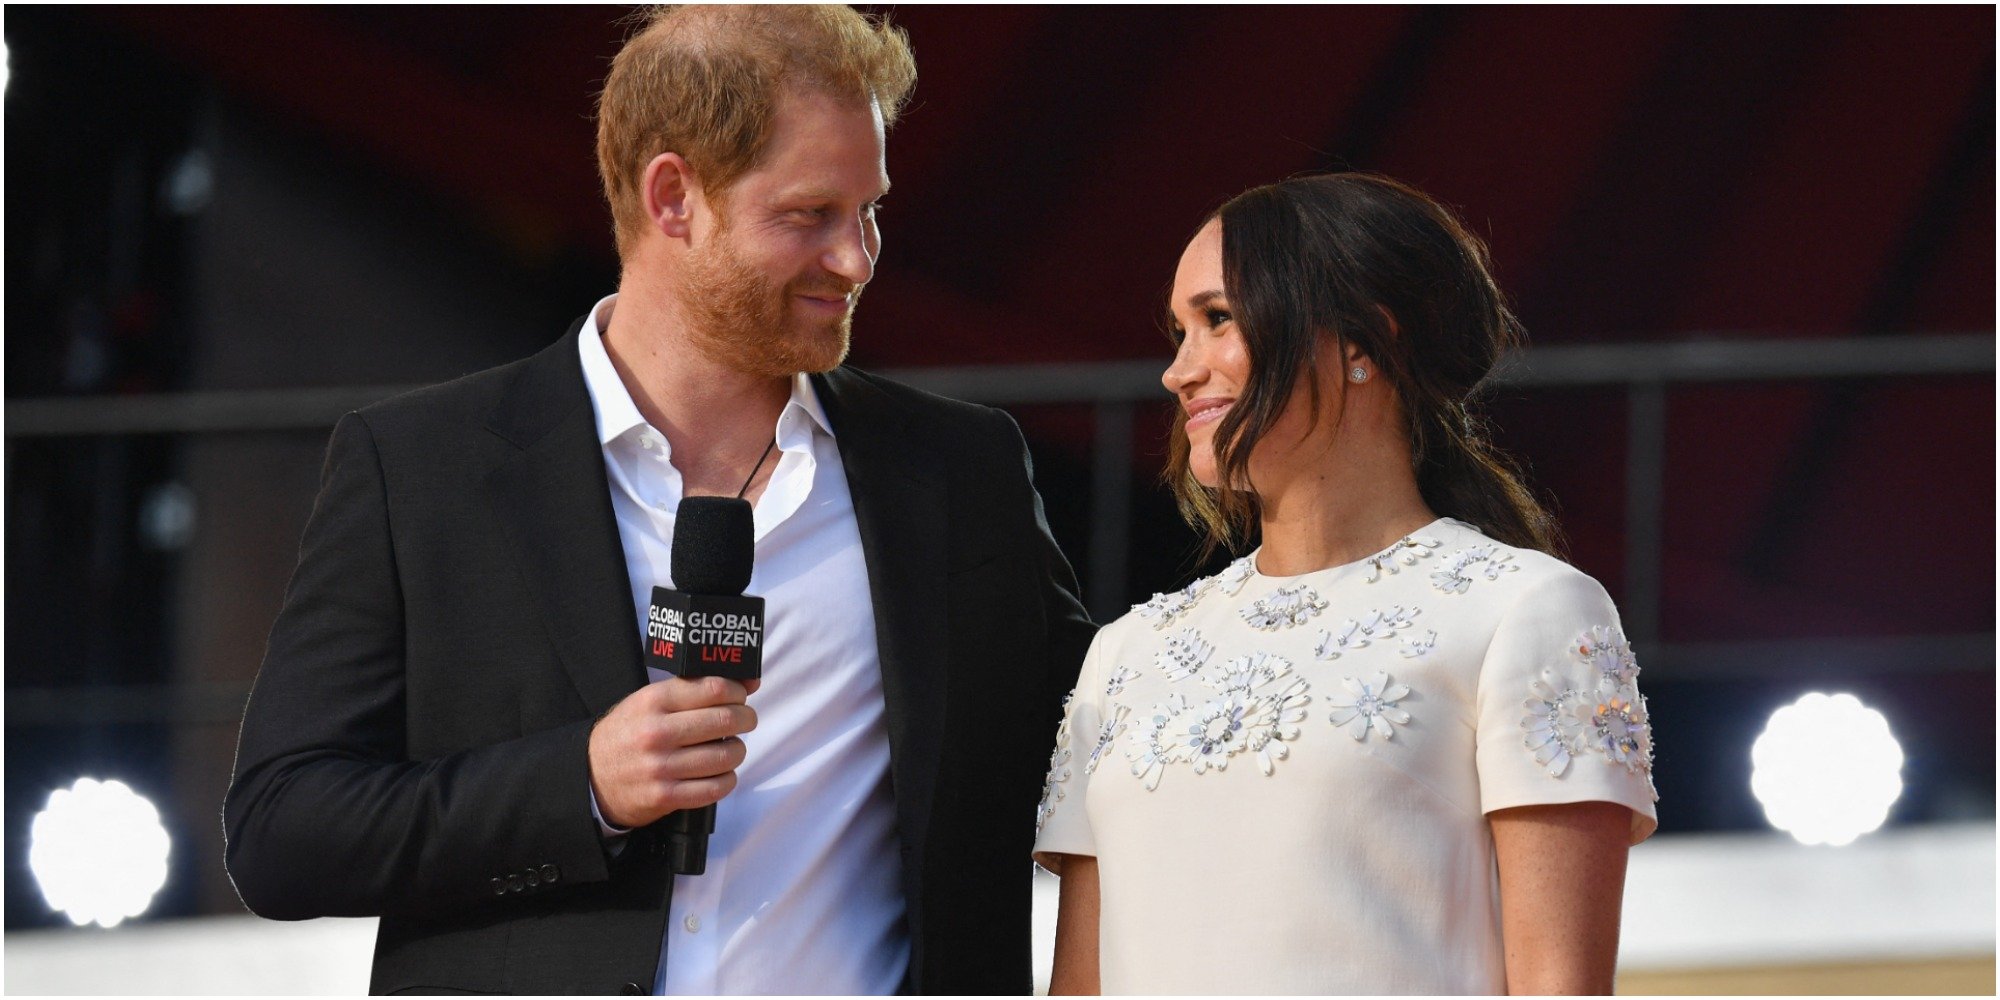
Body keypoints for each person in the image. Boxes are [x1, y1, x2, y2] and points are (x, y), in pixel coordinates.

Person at [223, 6, 1093, 995]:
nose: (856, 258)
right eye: (811, 214)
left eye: (871, 211)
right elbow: (279, 830)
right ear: (672, 197)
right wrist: (580, 785)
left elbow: (1108, 741)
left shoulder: (955, 470)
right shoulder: (419, 468)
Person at [1032, 173, 1659, 995]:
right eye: (1179, 331)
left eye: (1217, 319)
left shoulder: (1523, 612)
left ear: (1364, 340)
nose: (1177, 371)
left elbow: (1559, 987)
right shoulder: (1127, 653)